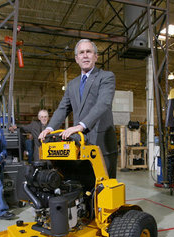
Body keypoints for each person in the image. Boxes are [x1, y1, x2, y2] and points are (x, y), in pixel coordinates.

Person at [38, 39, 118, 178]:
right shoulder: (72, 84)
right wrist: (49, 128)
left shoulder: (106, 77)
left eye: (89, 52)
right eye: (81, 52)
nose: (85, 55)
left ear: (96, 56)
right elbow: (63, 108)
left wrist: (81, 126)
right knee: (80, 188)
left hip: (102, 145)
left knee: (103, 192)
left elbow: (103, 104)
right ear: (76, 58)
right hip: (80, 145)